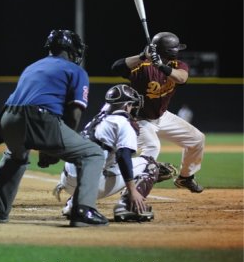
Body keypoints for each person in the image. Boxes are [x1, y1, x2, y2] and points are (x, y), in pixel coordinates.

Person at [0, 29, 108, 227]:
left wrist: (49, 146)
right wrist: (55, 149)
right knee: (92, 154)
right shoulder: (75, 70)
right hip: (38, 118)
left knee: (15, 155)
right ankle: (83, 210)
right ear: (72, 50)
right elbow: (75, 113)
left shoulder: (32, 66)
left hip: (7, 117)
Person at [53, 84, 178, 222]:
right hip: (90, 183)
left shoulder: (97, 120)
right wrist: (132, 190)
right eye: (132, 105)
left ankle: (74, 204)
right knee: (150, 165)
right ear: (126, 106)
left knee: (103, 160)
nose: (133, 108)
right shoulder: (123, 123)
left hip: (67, 179)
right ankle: (127, 207)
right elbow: (123, 157)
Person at [111, 31, 205, 193]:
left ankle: (185, 178)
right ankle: (131, 191)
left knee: (197, 139)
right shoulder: (142, 67)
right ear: (171, 51)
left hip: (161, 116)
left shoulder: (177, 66)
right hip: (139, 119)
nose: (178, 51)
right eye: (176, 49)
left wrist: (161, 66)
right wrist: (142, 56)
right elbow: (116, 67)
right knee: (152, 148)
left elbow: (181, 78)